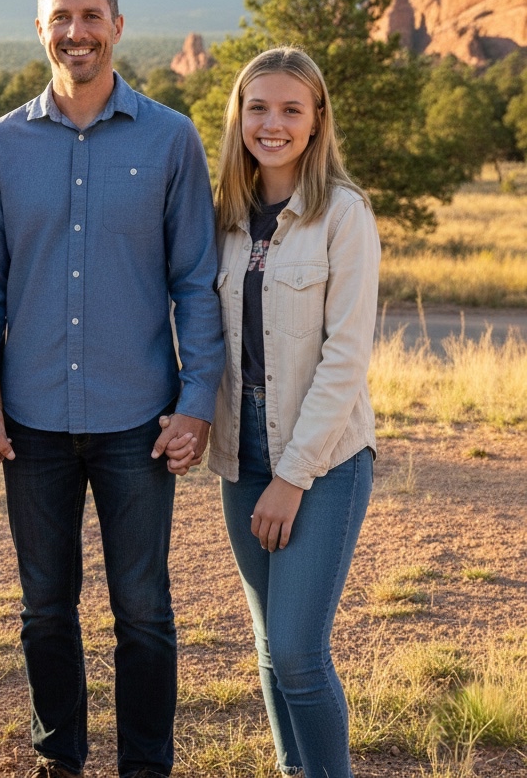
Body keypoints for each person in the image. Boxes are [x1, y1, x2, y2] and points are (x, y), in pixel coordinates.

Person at [0, 0, 224, 778]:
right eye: (60, 18)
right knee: (45, 610)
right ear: (41, 29)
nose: (76, 32)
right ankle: (58, 761)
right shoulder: (2, 146)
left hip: (138, 419)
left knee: (143, 611)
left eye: (90, 16)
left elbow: (195, 284)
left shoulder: (171, 137)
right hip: (31, 420)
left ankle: (146, 766)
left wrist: (197, 401)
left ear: (116, 23)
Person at [206, 46, 378, 777]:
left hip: (325, 454)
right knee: (271, 646)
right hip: (241, 449)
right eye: (258, 107)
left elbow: (345, 360)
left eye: (289, 110)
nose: (271, 123)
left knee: (302, 652)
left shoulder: (344, 214)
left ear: (315, 123)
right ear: (239, 116)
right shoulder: (225, 217)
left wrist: (293, 476)